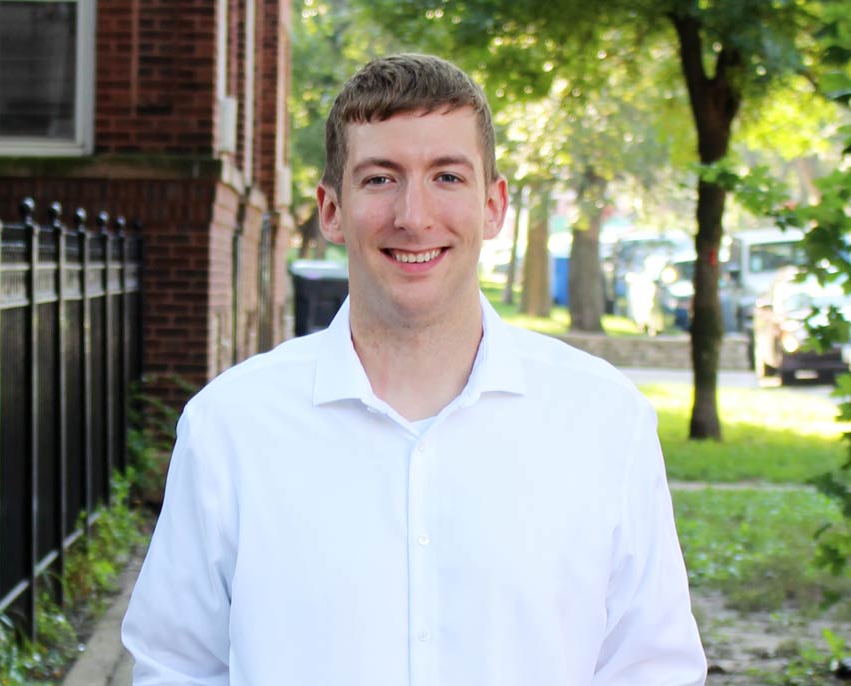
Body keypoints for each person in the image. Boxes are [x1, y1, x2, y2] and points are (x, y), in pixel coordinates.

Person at [121, 53, 706, 685]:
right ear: (331, 209)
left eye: (447, 177)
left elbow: (651, 667)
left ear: (493, 206)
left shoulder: (602, 420)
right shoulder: (230, 427)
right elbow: (176, 667)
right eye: (380, 179)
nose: (414, 216)